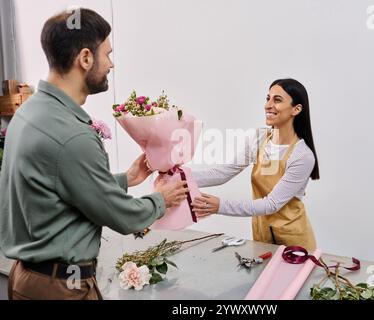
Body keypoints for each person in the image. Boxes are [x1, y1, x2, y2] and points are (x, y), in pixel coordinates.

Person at [0, 8, 188, 300]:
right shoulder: (73, 135)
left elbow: (61, 186)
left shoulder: (30, 113)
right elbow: (122, 216)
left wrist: (126, 178)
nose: (111, 65)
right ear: (85, 58)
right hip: (60, 288)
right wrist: (162, 199)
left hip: (27, 278)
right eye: (107, 54)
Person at [192, 78, 320, 251]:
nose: (268, 105)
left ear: (296, 109)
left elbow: (271, 204)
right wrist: (177, 174)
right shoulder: (259, 138)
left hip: (294, 240)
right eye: (268, 98)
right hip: (262, 233)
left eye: (277, 100)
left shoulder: (302, 156)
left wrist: (220, 205)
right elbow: (223, 173)